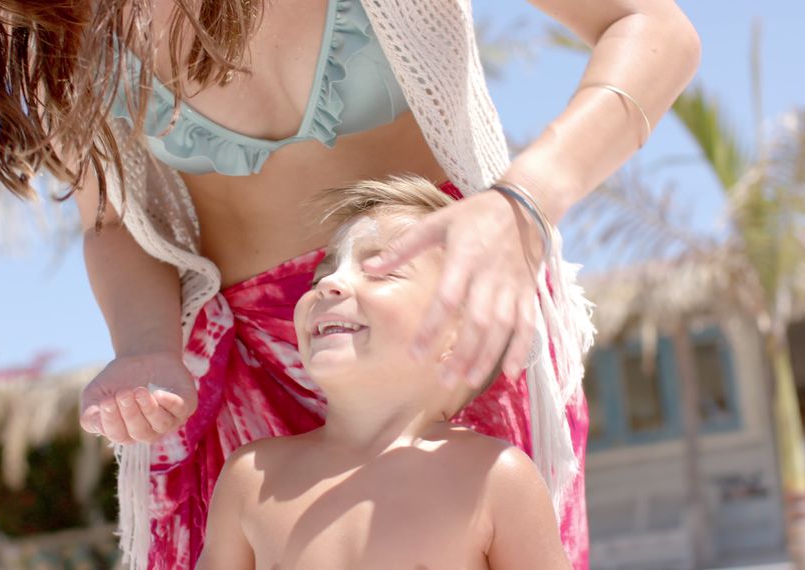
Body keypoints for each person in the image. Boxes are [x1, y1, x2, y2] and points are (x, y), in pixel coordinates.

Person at [0, 1, 701, 568]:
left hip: (447, 329)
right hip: (241, 370)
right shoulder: (60, 29)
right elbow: (111, 223)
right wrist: (146, 343)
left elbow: (651, 27)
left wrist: (521, 202)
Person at [196, 175, 571, 570]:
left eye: (379, 271)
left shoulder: (495, 479)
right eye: (321, 276)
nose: (331, 285)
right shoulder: (252, 479)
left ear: (462, 333)